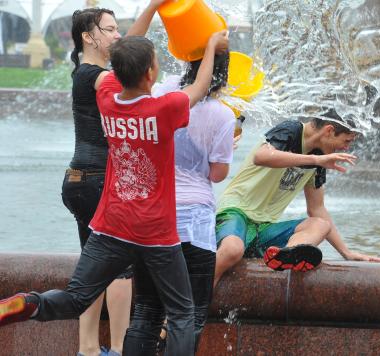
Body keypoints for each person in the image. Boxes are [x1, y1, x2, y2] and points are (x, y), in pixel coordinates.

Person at [0, 29, 229, 356]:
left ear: (117, 71)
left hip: (112, 226)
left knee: (77, 297)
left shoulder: (107, 98)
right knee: (180, 313)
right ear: (150, 74)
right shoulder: (163, 109)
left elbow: (121, 59)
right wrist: (209, 46)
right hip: (156, 233)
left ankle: (30, 303)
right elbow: (200, 87)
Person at [60, 2, 166, 355]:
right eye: (109, 29)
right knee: (121, 268)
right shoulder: (102, 77)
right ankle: (119, 349)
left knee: (91, 271)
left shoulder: (85, 73)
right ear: (88, 37)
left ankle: (88, 350)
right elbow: (132, 62)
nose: (117, 34)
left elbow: (127, 50)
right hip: (98, 181)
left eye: (117, 27)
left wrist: (151, 8)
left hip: (78, 181)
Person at [214, 109, 380, 286]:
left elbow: (317, 208)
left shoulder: (319, 157)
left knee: (321, 224)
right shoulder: (292, 130)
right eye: (346, 140)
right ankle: (196, 305)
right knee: (233, 250)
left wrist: (347, 253)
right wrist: (315, 161)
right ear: (328, 131)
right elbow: (261, 156)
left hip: (264, 228)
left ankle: (286, 255)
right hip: (235, 212)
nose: (346, 148)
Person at [147, 51, 235, 352]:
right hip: (195, 222)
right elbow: (217, 173)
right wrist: (227, 147)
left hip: (155, 214)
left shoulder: (164, 89)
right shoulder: (222, 114)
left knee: (146, 310)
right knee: (192, 312)